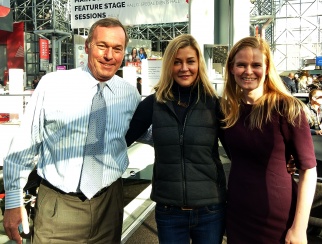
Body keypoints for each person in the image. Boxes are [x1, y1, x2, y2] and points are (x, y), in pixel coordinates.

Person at [3, 17, 141, 244]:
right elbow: (24, 145)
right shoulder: (53, 85)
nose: (109, 56)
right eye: (102, 46)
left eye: (117, 49)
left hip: (109, 205)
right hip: (59, 208)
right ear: (87, 46)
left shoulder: (129, 94)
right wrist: (13, 203)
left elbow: (155, 134)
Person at [126, 34, 227, 243]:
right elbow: (120, 139)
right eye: (177, 62)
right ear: (168, 66)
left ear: (199, 63)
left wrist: (283, 160)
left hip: (210, 208)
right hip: (169, 210)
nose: (184, 68)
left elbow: (240, 148)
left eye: (190, 61)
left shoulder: (215, 105)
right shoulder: (154, 104)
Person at [220, 36, 317, 243]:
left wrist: (299, 228)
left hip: (278, 220)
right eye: (241, 65)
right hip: (237, 214)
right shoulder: (227, 111)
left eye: (256, 65)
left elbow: (308, 169)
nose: (248, 71)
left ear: (267, 68)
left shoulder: (287, 109)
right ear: (231, 68)